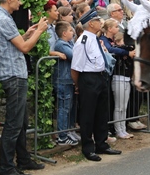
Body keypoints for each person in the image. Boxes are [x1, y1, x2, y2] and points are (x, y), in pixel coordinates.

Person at [0, 0, 48, 175]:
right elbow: (24, 48)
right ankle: (6, 167)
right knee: (14, 123)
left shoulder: (2, 18)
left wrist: (27, 34)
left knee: (21, 122)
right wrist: (39, 31)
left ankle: (23, 159)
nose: (20, 3)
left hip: (14, 74)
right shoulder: (3, 19)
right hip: (13, 75)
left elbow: (12, 45)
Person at [70, 10, 122, 162]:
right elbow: (75, 67)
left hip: (100, 76)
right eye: (98, 21)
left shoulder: (95, 38)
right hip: (88, 78)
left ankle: (101, 144)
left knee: (101, 113)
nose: (101, 23)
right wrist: (78, 85)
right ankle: (88, 147)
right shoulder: (83, 41)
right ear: (91, 24)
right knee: (88, 114)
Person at [100, 19, 135, 140]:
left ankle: (123, 128)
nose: (118, 28)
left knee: (123, 106)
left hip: (125, 76)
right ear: (109, 29)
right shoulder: (104, 40)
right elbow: (110, 49)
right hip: (117, 76)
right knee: (119, 106)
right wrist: (126, 52)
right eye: (115, 26)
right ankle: (118, 129)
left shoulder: (113, 41)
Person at [53, 21, 79, 146]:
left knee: (69, 108)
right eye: (70, 30)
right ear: (64, 33)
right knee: (64, 108)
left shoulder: (69, 43)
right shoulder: (61, 44)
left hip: (68, 80)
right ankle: (62, 136)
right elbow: (75, 56)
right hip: (63, 80)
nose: (72, 32)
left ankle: (68, 131)